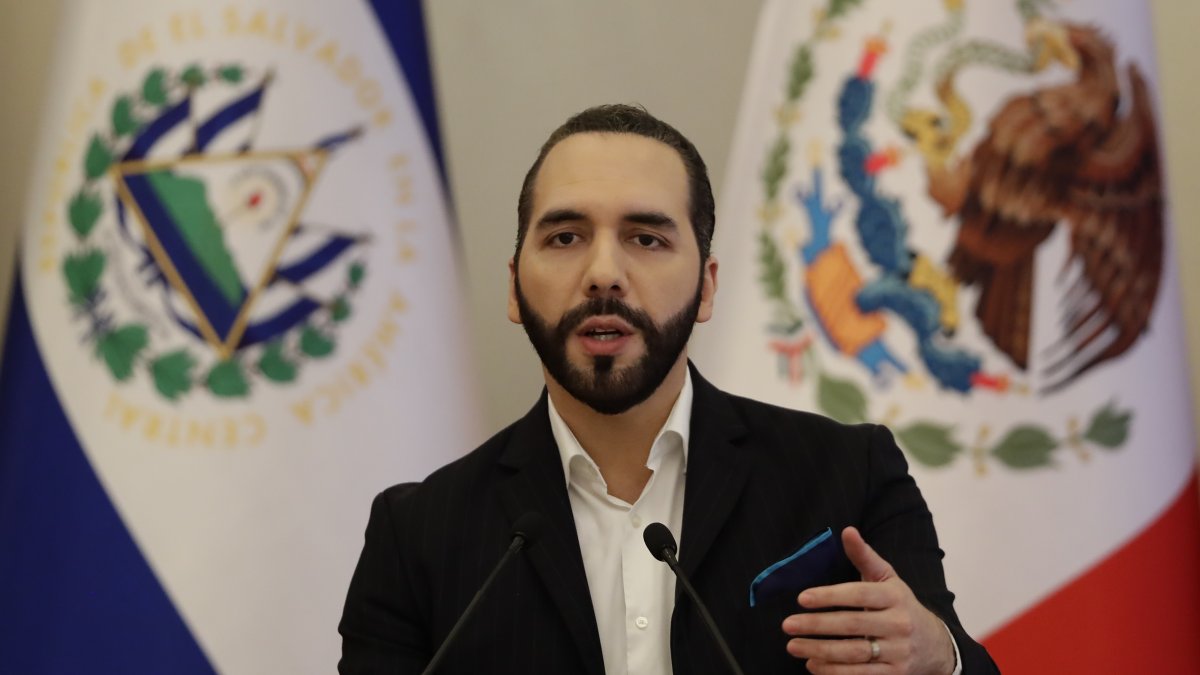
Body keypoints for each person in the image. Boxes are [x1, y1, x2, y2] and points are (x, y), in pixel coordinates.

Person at [338, 104, 999, 674]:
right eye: (566, 237)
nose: (604, 273)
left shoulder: (849, 475)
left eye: (646, 238)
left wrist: (939, 654)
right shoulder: (419, 534)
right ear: (514, 286)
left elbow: (957, 658)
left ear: (707, 285)